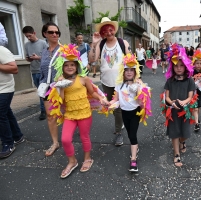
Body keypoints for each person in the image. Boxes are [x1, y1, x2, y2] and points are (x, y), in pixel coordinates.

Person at [46, 44, 108, 178]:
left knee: (84, 137)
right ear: (62, 67)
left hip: (85, 113)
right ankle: (72, 161)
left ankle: (87, 158)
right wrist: (61, 86)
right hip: (70, 115)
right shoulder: (60, 82)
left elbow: (92, 93)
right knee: (65, 139)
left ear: (77, 66)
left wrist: (102, 99)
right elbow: (61, 100)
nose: (69, 67)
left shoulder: (83, 79)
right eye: (66, 65)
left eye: (72, 65)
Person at [88, 17, 130, 146]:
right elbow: (92, 60)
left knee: (118, 108)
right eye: (105, 31)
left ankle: (118, 133)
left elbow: (130, 61)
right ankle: (120, 123)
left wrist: (133, 79)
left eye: (111, 30)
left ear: (114, 30)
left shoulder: (123, 43)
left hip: (120, 82)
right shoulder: (101, 44)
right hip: (106, 81)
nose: (109, 33)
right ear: (102, 33)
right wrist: (94, 44)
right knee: (111, 106)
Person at [109, 53, 152, 172]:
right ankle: (135, 148)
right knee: (129, 133)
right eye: (126, 70)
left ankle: (133, 159)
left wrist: (138, 90)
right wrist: (109, 104)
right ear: (123, 71)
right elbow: (115, 99)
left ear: (135, 71)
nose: (129, 72)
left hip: (135, 113)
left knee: (132, 135)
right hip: (124, 112)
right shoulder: (119, 85)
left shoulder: (138, 84)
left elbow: (142, 102)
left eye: (131, 70)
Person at [161, 44, 197, 167]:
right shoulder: (170, 81)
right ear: (173, 66)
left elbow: (190, 96)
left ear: (186, 66)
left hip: (185, 111)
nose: (179, 68)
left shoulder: (190, 81)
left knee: (185, 134)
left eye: (181, 65)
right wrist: (172, 103)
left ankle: (183, 142)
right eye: (176, 65)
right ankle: (176, 154)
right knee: (174, 132)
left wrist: (184, 102)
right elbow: (167, 97)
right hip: (173, 112)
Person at [0, 25, 24, 159]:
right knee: (6, 113)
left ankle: (8, 143)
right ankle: (18, 136)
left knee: (0, 115)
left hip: (4, 89)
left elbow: (14, 68)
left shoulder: (1, 50)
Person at [40, 22, 61, 156]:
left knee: (69, 114)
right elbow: (43, 70)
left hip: (63, 88)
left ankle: (73, 136)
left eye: (57, 32)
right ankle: (55, 142)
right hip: (47, 88)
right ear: (45, 34)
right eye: (51, 32)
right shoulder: (44, 51)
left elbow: (76, 68)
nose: (54, 34)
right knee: (50, 116)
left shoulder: (65, 50)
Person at [22, 26, 48, 120]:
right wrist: (28, 59)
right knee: (40, 91)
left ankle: (43, 111)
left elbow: (48, 57)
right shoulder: (27, 45)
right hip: (34, 71)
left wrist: (38, 58)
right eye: (26, 36)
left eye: (29, 35)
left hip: (43, 71)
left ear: (34, 33)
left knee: (43, 91)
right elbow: (29, 59)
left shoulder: (43, 43)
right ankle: (46, 107)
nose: (28, 38)